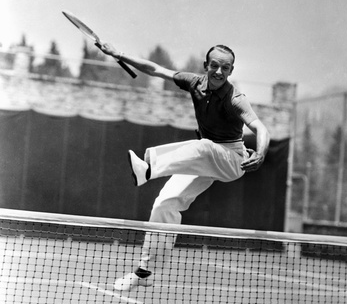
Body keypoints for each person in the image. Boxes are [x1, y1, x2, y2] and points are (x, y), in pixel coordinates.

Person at [97, 42, 270, 291]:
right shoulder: (194, 82)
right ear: (205, 66)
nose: (219, 72)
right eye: (214, 65)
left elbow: (261, 129)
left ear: (231, 71)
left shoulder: (235, 99)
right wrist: (118, 54)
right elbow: (156, 70)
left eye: (225, 67)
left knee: (203, 146)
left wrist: (262, 152)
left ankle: (148, 168)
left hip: (232, 159)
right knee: (165, 203)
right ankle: (146, 272)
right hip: (206, 158)